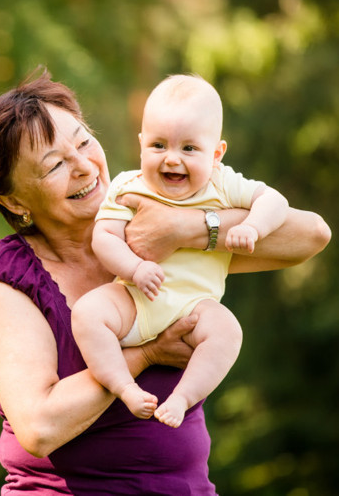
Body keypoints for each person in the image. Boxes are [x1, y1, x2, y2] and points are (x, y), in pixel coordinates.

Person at [0, 68, 330, 494]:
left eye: (83, 142)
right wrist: (148, 352)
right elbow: (40, 427)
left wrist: (184, 229)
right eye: (55, 165)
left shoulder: (151, 212)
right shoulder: (7, 278)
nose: (84, 167)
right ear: (13, 200)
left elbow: (311, 235)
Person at [70, 74, 289, 429]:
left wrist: (251, 227)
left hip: (194, 308)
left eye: (189, 148)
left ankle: (182, 398)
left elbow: (274, 200)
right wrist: (135, 267)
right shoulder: (129, 185)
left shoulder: (222, 182)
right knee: (87, 313)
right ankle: (124, 387)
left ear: (216, 154)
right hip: (136, 299)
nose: (172, 159)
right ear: (141, 144)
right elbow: (104, 236)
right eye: (158, 145)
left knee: (228, 332)